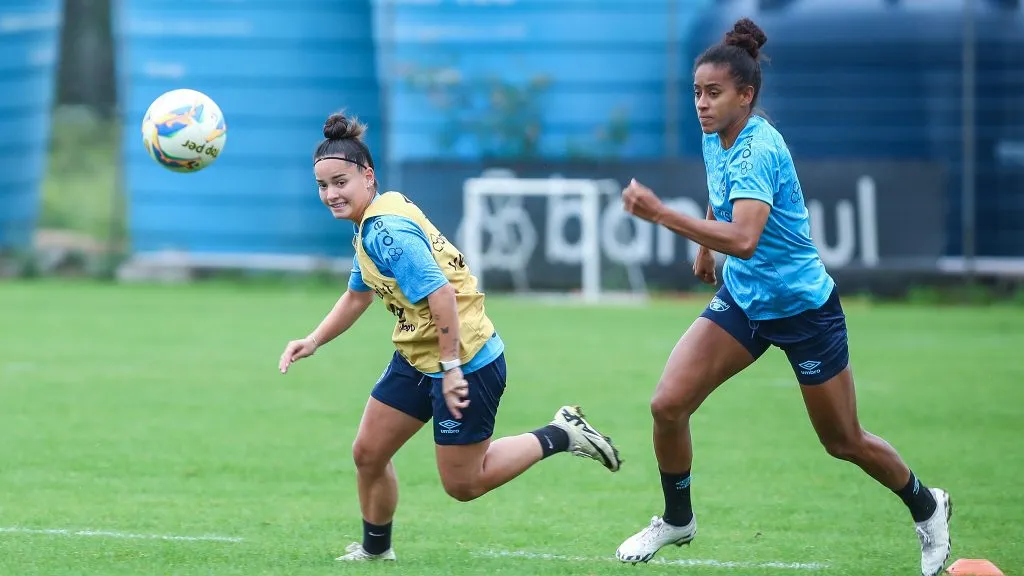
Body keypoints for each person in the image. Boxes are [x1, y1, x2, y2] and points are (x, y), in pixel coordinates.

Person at [613, 18, 951, 576]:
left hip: (803, 311)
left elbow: (746, 239)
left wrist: (662, 215)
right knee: (667, 405)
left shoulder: (759, 150)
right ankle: (677, 520)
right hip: (746, 301)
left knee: (843, 441)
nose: (701, 104)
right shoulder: (715, 134)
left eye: (714, 93)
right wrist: (706, 243)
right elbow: (721, 195)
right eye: (696, 92)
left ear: (745, 96)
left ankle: (926, 504)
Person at [278, 112, 623, 562]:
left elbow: (440, 294)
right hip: (420, 356)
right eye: (323, 186)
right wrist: (314, 340)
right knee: (369, 453)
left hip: (467, 360)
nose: (331, 194)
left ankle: (561, 433)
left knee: (463, 484)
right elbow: (358, 295)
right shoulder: (373, 220)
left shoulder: (386, 231)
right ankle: (376, 552)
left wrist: (452, 368)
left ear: (368, 176)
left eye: (340, 182)